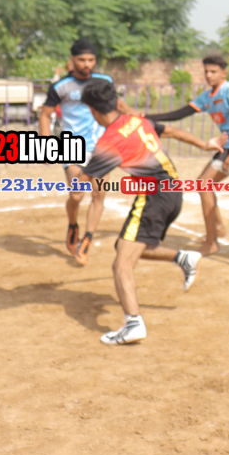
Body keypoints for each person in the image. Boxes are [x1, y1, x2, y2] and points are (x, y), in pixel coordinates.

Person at [77, 79, 203, 346]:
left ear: (92, 110)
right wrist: (206, 145)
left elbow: (81, 182)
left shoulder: (109, 141)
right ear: (116, 101)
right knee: (125, 246)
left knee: (121, 263)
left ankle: (133, 324)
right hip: (173, 192)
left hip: (153, 197)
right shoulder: (137, 120)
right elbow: (173, 131)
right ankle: (183, 258)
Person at [144, 54, 229, 256]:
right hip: (227, 146)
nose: (209, 75)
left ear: (224, 73)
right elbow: (180, 114)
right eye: (206, 72)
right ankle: (217, 228)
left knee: (203, 185)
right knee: (205, 185)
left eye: (213, 71)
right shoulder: (207, 97)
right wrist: (146, 117)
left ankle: (212, 242)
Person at [39, 39, 133, 265]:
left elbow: (118, 106)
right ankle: (73, 225)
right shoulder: (61, 86)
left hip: (103, 147)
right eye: (81, 60)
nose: (87, 64)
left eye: (91, 60)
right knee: (76, 195)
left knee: (99, 195)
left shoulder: (105, 81)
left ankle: (88, 238)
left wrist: (138, 120)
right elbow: (45, 115)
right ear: (72, 60)